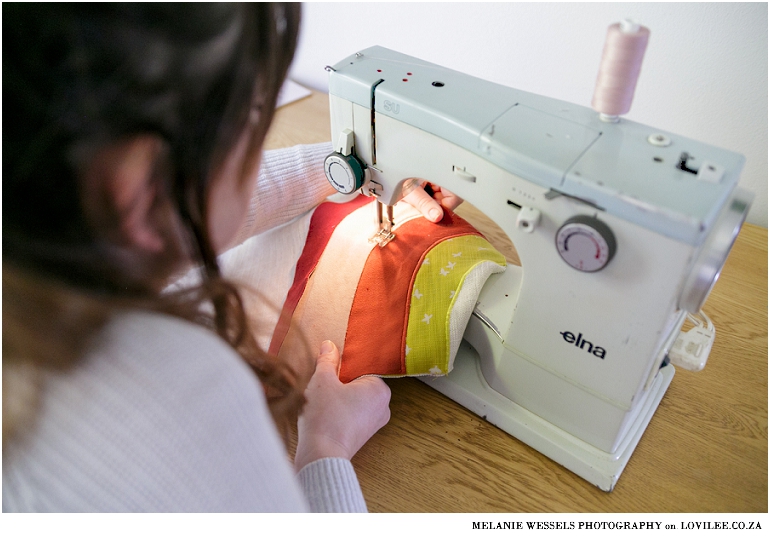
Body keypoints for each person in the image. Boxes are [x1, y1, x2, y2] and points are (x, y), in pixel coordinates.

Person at [2, 3, 460, 512]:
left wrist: (351, 170)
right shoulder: (180, 397)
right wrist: (325, 449)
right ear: (137, 186)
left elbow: (184, 206)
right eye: (253, 115)